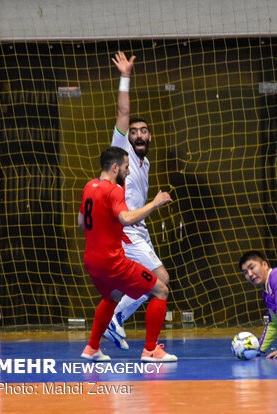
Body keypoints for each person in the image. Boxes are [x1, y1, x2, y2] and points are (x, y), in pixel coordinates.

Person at [102, 51, 174, 350]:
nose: (139, 134)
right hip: (127, 230)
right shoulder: (124, 153)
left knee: (145, 283)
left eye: (144, 131)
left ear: (151, 136)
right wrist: (125, 77)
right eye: (134, 132)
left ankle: (114, 319)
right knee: (160, 280)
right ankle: (118, 321)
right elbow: (122, 113)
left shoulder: (144, 163)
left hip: (139, 230)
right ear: (127, 139)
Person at [78, 146, 177, 362]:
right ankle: (151, 350)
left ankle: (92, 348)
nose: (128, 171)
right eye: (125, 167)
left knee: (112, 296)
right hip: (112, 261)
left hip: (91, 261)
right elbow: (126, 218)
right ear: (115, 168)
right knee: (161, 289)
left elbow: (80, 222)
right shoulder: (113, 190)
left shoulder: (88, 187)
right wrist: (155, 203)